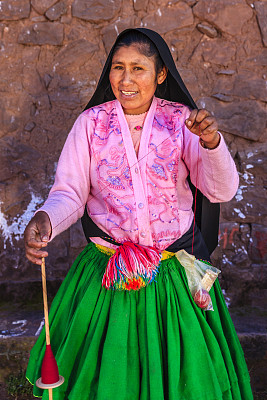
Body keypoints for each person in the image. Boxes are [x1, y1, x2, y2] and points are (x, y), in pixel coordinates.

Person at [24, 28, 253, 399]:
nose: (126, 79)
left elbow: (220, 190)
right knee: (111, 378)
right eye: (118, 67)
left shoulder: (183, 122)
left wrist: (211, 143)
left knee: (183, 378)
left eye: (138, 68)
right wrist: (45, 220)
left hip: (173, 275)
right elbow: (69, 192)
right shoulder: (91, 124)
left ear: (161, 74)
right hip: (108, 276)